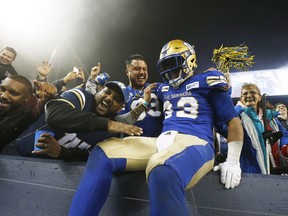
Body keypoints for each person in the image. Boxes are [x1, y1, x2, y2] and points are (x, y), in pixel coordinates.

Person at [69, 39, 244, 216]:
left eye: (174, 64)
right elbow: (129, 93)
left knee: (162, 169)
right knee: (103, 153)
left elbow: (233, 121)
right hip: (162, 141)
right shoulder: (161, 88)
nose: (170, 70)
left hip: (196, 142)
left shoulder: (207, 80)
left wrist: (233, 160)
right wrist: (92, 82)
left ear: (189, 61)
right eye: (166, 65)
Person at [14, 81, 148, 162]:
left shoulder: (111, 133)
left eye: (117, 99)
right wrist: (107, 124)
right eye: (107, 92)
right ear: (99, 91)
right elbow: (55, 115)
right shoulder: (82, 97)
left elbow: (89, 155)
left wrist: (61, 152)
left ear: (120, 108)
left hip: (49, 170)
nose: (109, 98)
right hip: (16, 154)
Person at [232, 83, 288, 174]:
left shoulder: (271, 116)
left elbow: (284, 134)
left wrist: (285, 145)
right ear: (241, 99)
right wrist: (238, 107)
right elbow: (223, 127)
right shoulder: (239, 116)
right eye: (245, 94)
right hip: (251, 170)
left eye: (253, 92)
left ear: (260, 97)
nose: (249, 96)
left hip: (276, 167)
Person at [0, 74, 56, 152]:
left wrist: (47, 97)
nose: (3, 96)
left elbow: (38, 108)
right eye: (2, 89)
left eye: (13, 93)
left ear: (27, 98)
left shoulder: (29, 113)